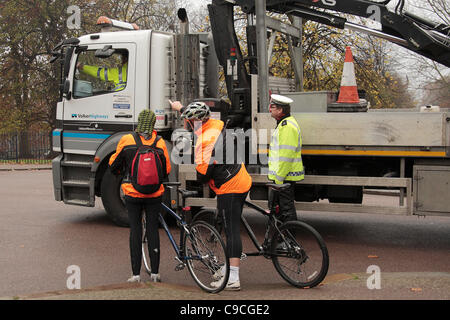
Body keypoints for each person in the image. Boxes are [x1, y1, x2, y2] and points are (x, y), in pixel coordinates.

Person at [170, 99, 252, 291]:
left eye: (186, 120)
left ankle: (233, 278)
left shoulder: (205, 141)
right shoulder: (214, 125)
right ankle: (230, 267)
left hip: (230, 187)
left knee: (231, 231)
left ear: (194, 122)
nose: (184, 124)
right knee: (228, 225)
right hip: (240, 178)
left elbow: (202, 176)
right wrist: (179, 107)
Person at [109, 109, 171, 283]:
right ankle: (155, 273)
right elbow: (166, 170)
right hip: (154, 194)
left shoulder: (127, 140)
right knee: (152, 230)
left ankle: (136, 274)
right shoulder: (159, 142)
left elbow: (113, 165)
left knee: (136, 230)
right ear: (152, 124)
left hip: (132, 193)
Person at [268, 94, 304, 223]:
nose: (269, 109)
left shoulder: (287, 127)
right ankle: (283, 238)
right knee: (281, 210)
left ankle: (290, 240)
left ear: (280, 110)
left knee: (286, 210)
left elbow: (285, 157)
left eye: (272, 106)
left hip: (284, 177)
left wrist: (279, 179)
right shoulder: (284, 124)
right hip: (284, 176)